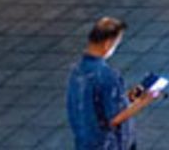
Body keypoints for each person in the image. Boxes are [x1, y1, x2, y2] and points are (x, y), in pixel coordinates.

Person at [67, 17, 161, 150]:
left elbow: (98, 103)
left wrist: (127, 98)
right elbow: (114, 118)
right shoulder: (107, 75)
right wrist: (144, 101)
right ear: (108, 43)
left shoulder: (76, 71)